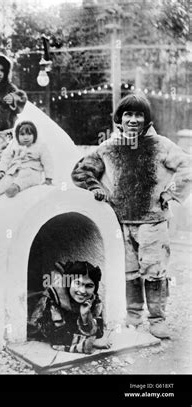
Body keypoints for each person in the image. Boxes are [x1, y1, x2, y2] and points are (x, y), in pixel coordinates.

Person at [71, 93, 192, 339]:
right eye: (128, 114)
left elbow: (187, 167)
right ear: (120, 118)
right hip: (121, 222)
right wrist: (96, 188)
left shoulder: (161, 144)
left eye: (139, 115)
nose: (133, 120)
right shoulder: (110, 146)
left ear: (146, 119)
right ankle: (134, 318)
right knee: (130, 273)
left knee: (154, 272)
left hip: (153, 223)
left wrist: (171, 194)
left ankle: (157, 320)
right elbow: (81, 171)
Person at [27, 261, 112, 354]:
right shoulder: (53, 300)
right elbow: (57, 338)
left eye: (89, 286)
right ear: (69, 283)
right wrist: (92, 342)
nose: (82, 291)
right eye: (78, 283)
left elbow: (99, 333)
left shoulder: (92, 300)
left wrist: (85, 316)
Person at [0, 120, 54, 204]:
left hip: (32, 171)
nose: (26, 137)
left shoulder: (40, 146)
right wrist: (2, 170)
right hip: (14, 170)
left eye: (29, 134)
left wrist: (48, 178)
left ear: (34, 135)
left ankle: (15, 187)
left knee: (25, 178)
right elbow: (6, 158)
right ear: (17, 135)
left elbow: (48, 161)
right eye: (22, 134)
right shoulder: (14, 144)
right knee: (6, 179)